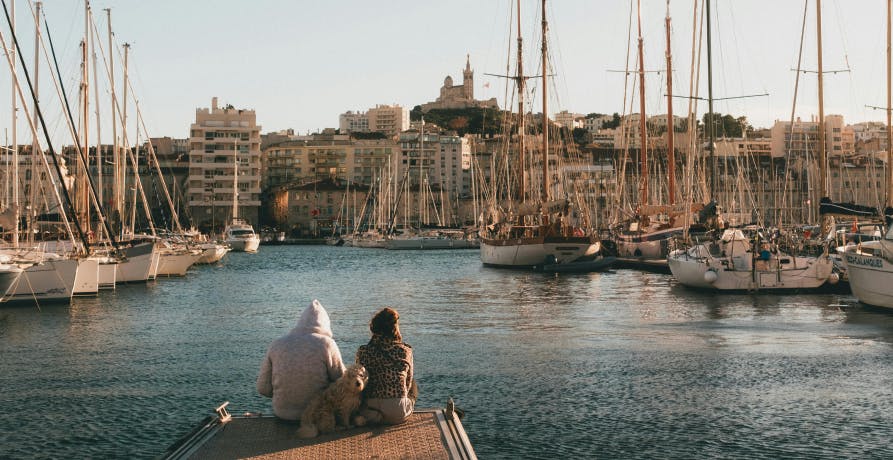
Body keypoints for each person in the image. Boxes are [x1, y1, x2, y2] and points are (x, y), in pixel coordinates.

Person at [256, 299, 346, 421]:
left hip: (282, 414)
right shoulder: (326, 344)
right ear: (326, 324)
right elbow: (342, 381)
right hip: (317, 415)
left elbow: (263, 389)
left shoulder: (277, 344)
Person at [355, 307, 415, 425]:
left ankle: (374, 417)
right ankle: (402, 408)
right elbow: (408, 384)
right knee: (414, 385)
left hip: (370, 410)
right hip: (398, 412)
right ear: (395, 328)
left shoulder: (363, 351)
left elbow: (359, 382)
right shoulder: (405, 351)